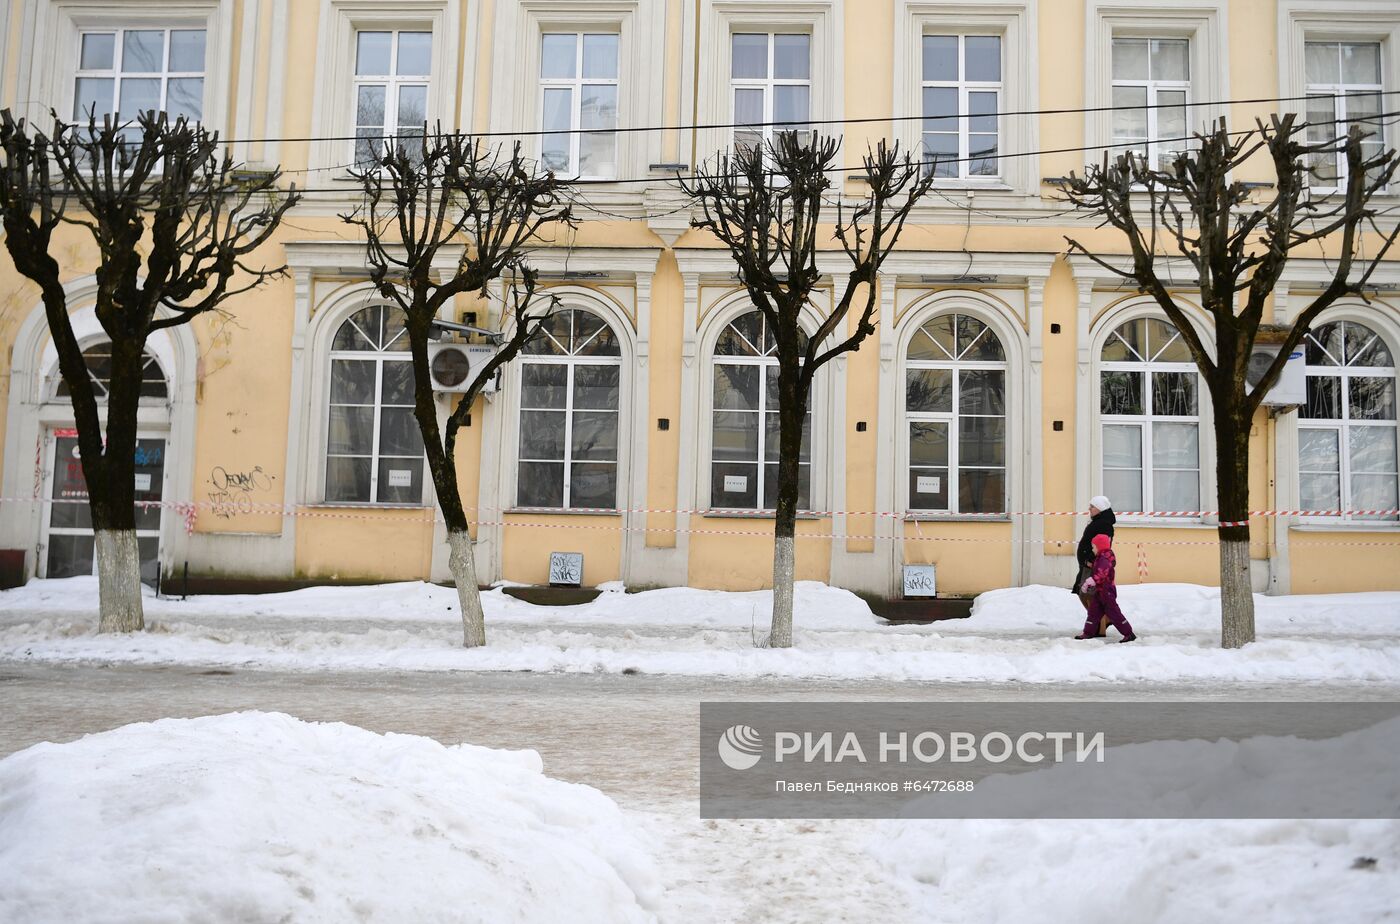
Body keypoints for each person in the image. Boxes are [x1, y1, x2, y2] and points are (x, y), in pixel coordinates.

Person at [1075, 533, 1137, 642]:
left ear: (1100, 546)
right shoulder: (1100, 557)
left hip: (1107, 591)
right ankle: (1088, 633)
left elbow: (1102, 573)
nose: (1092, 549)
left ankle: (1128, 633)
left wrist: (1091, 581)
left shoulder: (1104, 558)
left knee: (1113, 613)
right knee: (1093, 613)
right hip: (1100, 591)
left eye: (1094, 546)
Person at [1072, 495, 1116, 636]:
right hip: (1088, 563)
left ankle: (1100, 625)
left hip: (1093, 565)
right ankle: (1105, 620)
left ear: (1100, 508)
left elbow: (1102, 546)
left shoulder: (1103, 524)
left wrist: (1093, 561)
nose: (1089, 509)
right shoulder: (1099, 521)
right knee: (1085, 594)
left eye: (1092, 506)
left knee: (1089, 595)